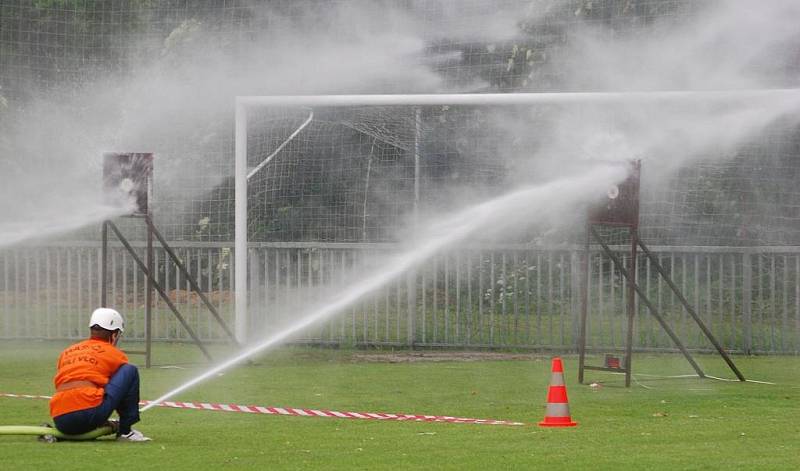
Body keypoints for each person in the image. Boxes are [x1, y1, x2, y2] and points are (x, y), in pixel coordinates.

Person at [49, 307, 151, 442]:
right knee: (129, 370)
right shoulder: (114, 354)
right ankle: (125, 431)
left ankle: (54, 434)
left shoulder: (68, 351)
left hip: (60, 419)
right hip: (89, 413)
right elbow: (121, 388)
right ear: (114, 334)